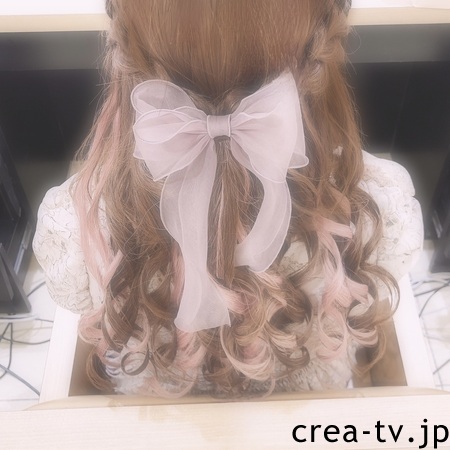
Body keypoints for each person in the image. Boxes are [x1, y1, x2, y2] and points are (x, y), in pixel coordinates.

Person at [33, 0, 423, 398]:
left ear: (119, 50)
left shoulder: (74, 224)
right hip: (312, 416)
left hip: (160, 413)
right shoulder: (379, 206)